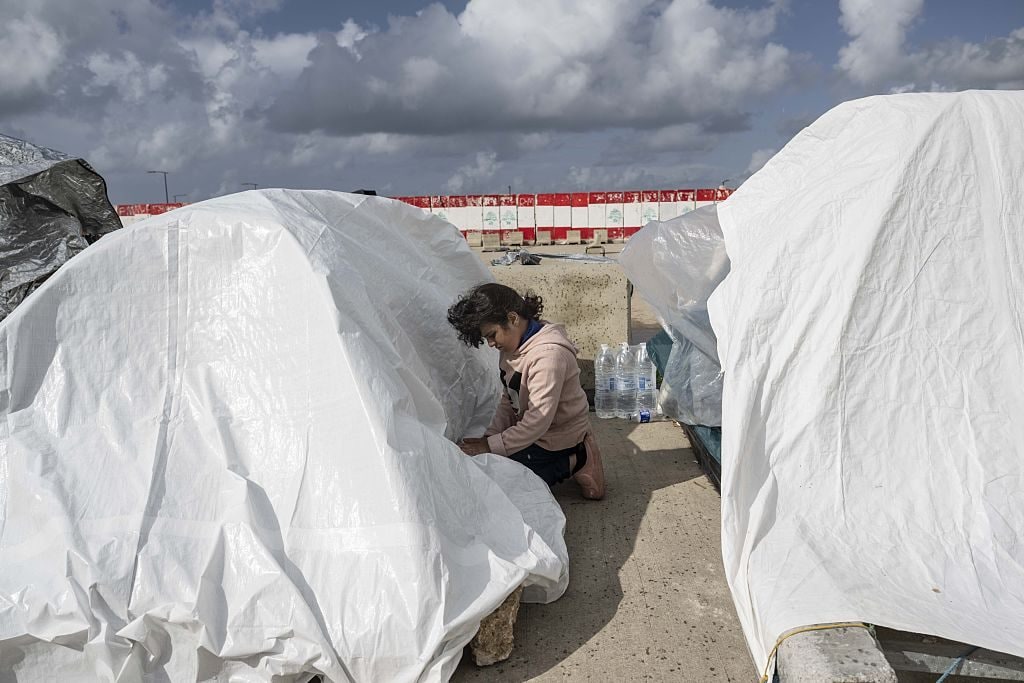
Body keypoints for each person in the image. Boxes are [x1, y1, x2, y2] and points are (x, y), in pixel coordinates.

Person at [447, 283, 605, 499]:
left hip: (557, 438)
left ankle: (578, 457)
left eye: (492, 335)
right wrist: (490, 436)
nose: (491, 344)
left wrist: (490, 446)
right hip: (535, 432)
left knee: (514, 484)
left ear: (512, 319)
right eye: (487, 338)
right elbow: (508, 399)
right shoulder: (514, 346)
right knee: (487, 471)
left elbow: (537, 422)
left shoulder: (548, 357)